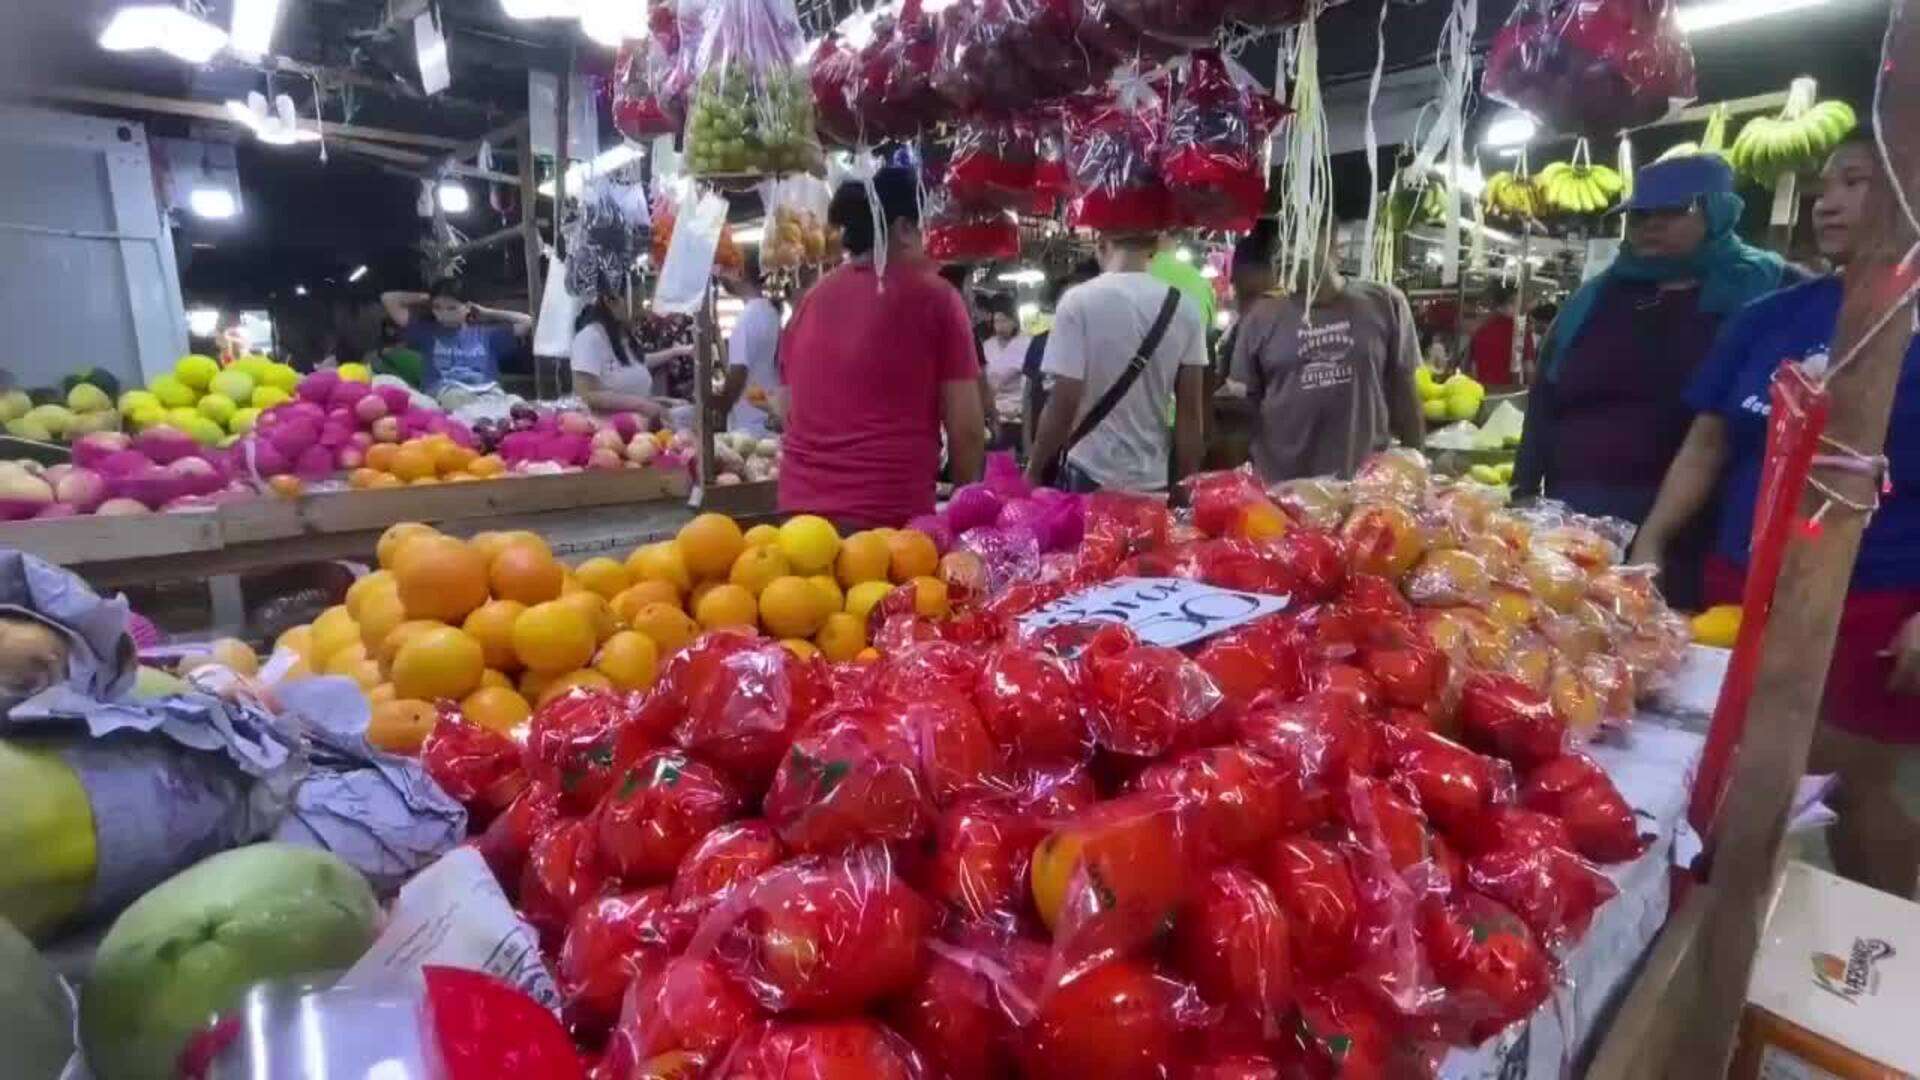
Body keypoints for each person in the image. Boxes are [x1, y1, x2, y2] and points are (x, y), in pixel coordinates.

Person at [1630, 132, 1920, 898]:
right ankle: (1731, 937)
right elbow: (1709, 440)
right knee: (1731, 773)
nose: (1829, 200)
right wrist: (1653, 538)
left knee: (1851, 788)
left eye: (1857, 182)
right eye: (1827, 183)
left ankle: (1887, 963)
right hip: (1746, 581)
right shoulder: (1773, 315)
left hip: (1875, 605)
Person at [1512, 155, 1799, 606]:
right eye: (1640, 215)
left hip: (1702, 525)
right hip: (1578, 522)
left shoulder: (1770, 289)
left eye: (1673, 212)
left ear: (1719, 210)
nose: (1651, 226)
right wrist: (1524, 493)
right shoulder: (1594, 296)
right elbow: (1545, 398)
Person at [776, 166, 985, 528]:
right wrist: (965, 515)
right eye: (932, 226)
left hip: (798, 522)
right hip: (886, 523)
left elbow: (787, 406)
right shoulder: (936, 298)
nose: (939, 239)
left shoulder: (811, 299)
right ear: (905, 229)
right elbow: (966, 430)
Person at [1230, 215, 1426, 483]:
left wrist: (1417, 471)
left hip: (1364, 489)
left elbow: (1404, 396)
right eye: (1285, 239)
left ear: (1332, 240)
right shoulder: (1259, 318)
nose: (1292, 248)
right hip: (1283, 491)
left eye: (1306, 236)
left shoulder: (1385, 303)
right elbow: (1245, 413)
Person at [1024, 232, 1209, 494]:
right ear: (1155, 246)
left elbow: (1063, 401)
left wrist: (1034, 469)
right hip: (1151, 484)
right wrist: (1185, 490)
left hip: (1087, 477)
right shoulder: (1185, 308)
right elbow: (1190, 416)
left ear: (1100, 243)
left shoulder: (1077, 302)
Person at [380, 281, 532, 397]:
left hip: (488, 396)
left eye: (451, 308)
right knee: (455, 400)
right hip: (445, 398)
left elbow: (527, 321)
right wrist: (428, 297)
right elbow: (389, 298)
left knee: (516, 403)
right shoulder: (426, 333)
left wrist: (488, 312)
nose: (443, 314)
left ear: (467, 307)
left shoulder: (488, 335)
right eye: (437, 308)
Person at [568, 284, 690, 419]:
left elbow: (639, 363)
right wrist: (641, 405)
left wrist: (663, 401)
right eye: (636, 300)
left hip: (640, 428)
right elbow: (587, 395)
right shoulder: (589, 338)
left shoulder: (621, 335)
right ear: (611, 300)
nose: (641, 309)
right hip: (607, 430)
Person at [1023, 258, 1102, 451]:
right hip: (1045, 446)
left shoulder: (1102, 345)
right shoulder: (1040, 342)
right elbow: (1029, 396)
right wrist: (1028, 445)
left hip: (1088, 450)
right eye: (1066, 301)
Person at [711, 250, 782, 434]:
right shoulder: (771, 312)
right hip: (768, 416)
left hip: (749, 426)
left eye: (725, 270)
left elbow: (738, 373)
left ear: (739, 273)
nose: (721, 277)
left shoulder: (746, 319)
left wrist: (721, 407)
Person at [980, 296, 1030, 447]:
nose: (1000, 326)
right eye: (996, 321)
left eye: (1004, 321)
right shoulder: (987, 346)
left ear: (1014, 320)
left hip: (1017, 416)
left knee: (1009, 462)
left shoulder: (1026, 344)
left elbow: (1029, 384)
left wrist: (1020, 410)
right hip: (991, 416)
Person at [1466, 281, 1536, 389]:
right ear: (1513, 299)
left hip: (1483, 392)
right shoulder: (1521, 330)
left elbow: (1473, 369)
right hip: (1510, 394)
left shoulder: (1480, 328)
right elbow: (1528, 369)